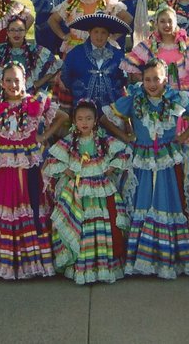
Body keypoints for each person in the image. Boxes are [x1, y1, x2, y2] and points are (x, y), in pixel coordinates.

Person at [100, 59, 189, 279]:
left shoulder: (176, 97)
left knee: (169, 202)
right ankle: (142, 258)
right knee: (142, 201)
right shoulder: (135, 98)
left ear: (165, 78)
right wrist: (125, 136)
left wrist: (182, 137)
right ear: (141, 80)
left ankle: (168, 259)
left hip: (168, 158)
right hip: (142, 158)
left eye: (156, 78)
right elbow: (106, 118)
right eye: (147, 79)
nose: (152, 83)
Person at [0, 62, 68, 279]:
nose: (13, 85)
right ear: (1, 82)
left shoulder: (36, 102)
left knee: (32, 205)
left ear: (25, 81)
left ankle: (33, 261)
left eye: (17, 80)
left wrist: (43, 136)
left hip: (29, 164)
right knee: (6, 205)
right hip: (4, 166)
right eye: (9, 80)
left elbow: (63, 117)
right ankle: (5, 262)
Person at [42, 99, 132, 284]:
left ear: (95, 121)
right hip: (77, 191)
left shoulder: (103, 140)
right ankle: (81, 265)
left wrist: (110, 167)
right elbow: (52, 161)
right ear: (74, 121)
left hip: (100, 190)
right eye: (80, 118)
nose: (84, 122)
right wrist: (66, 169)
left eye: (89, 118)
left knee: (103, 224)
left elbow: (122, 154)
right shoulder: (69, 141)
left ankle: (102, 266)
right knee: (78, 224)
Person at [121, 5, 189, 106]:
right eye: (162, 21)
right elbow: (131, 62)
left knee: (185, 118)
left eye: (170, 21)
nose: (167, 25)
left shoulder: (185, 42)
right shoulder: (150, 44)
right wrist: (147, 80)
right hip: (159, 93)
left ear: (175, 22)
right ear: (156, 23)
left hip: (184, 92)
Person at [48, 0, 133, 56]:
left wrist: (114, 36)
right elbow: (52, 20)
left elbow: (128, 18)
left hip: (101, 50)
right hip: (76, 50)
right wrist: (63, 36)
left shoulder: (107, 2)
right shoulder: (72, 3)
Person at [0, 15, 62, 95]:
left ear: (25, 32)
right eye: (13, 30)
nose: (16, 34)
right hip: (4, 96)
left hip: (30, 96)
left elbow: (56, 65)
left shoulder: (35, 50)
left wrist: (38, 83)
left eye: (20, 30)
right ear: (7, 32)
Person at [59, 14, 131, 112]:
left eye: (103, 32)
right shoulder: (75, 53)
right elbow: (65, 76)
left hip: (111, 108)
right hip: (84, 110)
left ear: (109, 34)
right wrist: (79, 89)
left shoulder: (118, 55)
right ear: (89, 32)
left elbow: (124, 79)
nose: (99, 36)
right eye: (96, 32)